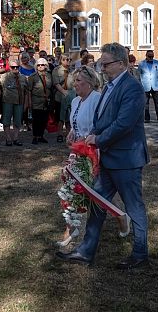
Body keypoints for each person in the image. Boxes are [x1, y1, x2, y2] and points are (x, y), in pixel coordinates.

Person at [56, 42, 149, 270]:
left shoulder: (132, 88)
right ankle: (86, 251)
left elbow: (123, 124)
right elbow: (104, 120)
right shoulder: (109, 86)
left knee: (134, 207)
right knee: (97, 204)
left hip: (126, 160)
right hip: (107, 159)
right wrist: (94, 134)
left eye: (105, 64)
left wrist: (98, 138)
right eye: (101, 64)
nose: (102, 69)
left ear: (120, 63)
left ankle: (140, 254)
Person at [57, 65, 101, 246]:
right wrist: (72, 133)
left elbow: (99, 125)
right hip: (77, 150)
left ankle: (121, 217)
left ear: (90, 83)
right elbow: (75, 125)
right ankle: (71, 227)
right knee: (72, 186)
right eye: (74, 81)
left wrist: (86, 136)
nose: (74, 84)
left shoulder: (97, 99)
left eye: (78, 81)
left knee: (91, 189)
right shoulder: (75, 101)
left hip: (93, 151)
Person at [1, 61, 27, 146]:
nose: (15, 69)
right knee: (6, 121)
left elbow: (26, 91)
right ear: (9, 67)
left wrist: (26, 103)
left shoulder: (23, 77)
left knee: (18, 121)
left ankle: (16, 138)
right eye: (13, 67)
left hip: (19, 101)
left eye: (17, 67)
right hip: (7, 101)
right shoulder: (4, 77)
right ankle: (8, 138)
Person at [28, 58, 52, 144]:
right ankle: (35, 136)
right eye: (38, 65)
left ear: (46, 66)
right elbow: (29, 90)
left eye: (42, 65)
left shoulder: (49, 76)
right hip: (36, 100)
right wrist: (29, 102)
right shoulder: (32, 77)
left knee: (44, 119)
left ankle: (41, 136)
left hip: (46, 101)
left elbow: (51, 88)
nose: (40, 66)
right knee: (36, 119)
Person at [138, 50, 158, 123]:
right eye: (149, 56)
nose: (151, 58)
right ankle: (146, 118)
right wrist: (140, 85)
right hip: (145, 86)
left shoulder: (157, 63)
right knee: (145, 103)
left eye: (152, 56)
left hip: (155, 86)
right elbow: (138, 75)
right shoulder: (141, 64)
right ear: (146, 56)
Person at [53, 54, 75, 142]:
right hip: (60, 96)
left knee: (69, 116)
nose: (67, 61)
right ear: (61, 60)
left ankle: (69, 135)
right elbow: (56, 83)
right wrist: (63, 91)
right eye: (65, 59)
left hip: (71, 95)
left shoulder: (73, 71)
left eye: (69, 60)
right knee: (60, 117)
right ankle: (60, 134)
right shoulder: (56, 70)